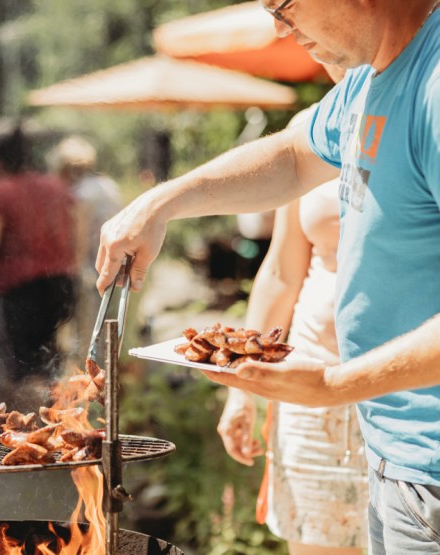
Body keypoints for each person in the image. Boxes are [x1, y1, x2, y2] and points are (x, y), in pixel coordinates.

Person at [96, 1, 440, 552]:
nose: (279, 27)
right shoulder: (369, 81)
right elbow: (293, 157)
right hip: (397, 456)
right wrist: (162, 202)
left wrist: (333, 385)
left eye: (283, 4)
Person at [218, 88, 369, 555]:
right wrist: (239, 390)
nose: (289, 26)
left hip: (406, 391)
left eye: (292, 9)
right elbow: (282, 274)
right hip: (308, 392)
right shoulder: (311, 125)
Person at [0, 127, 77, 412]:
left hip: (20, 288)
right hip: (60, 284)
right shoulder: (58, 188)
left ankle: (27, 432)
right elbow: (77, 235)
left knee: (19, 366)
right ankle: (52, 425)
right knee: (46, 359)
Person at [50, 135, 123, 355]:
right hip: (117, 269)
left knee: (88, 334)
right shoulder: (108, 186)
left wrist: (75, 271)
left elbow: (79, 239)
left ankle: (91, 381)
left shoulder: (82, 193)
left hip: (92, 271)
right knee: (111, 333)